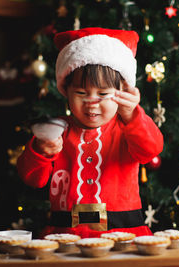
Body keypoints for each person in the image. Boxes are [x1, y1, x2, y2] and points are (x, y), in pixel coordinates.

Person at [17, 27, 164, 238]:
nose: (92, 104)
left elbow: (151, 149)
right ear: (65, 91)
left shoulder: (128, 128)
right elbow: (33, 179)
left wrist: (132, 116)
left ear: (123, 92)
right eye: (80, 93)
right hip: (64, 237)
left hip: (124, 236)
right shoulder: (55, 131)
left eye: (103, 93)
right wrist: (41, 151)